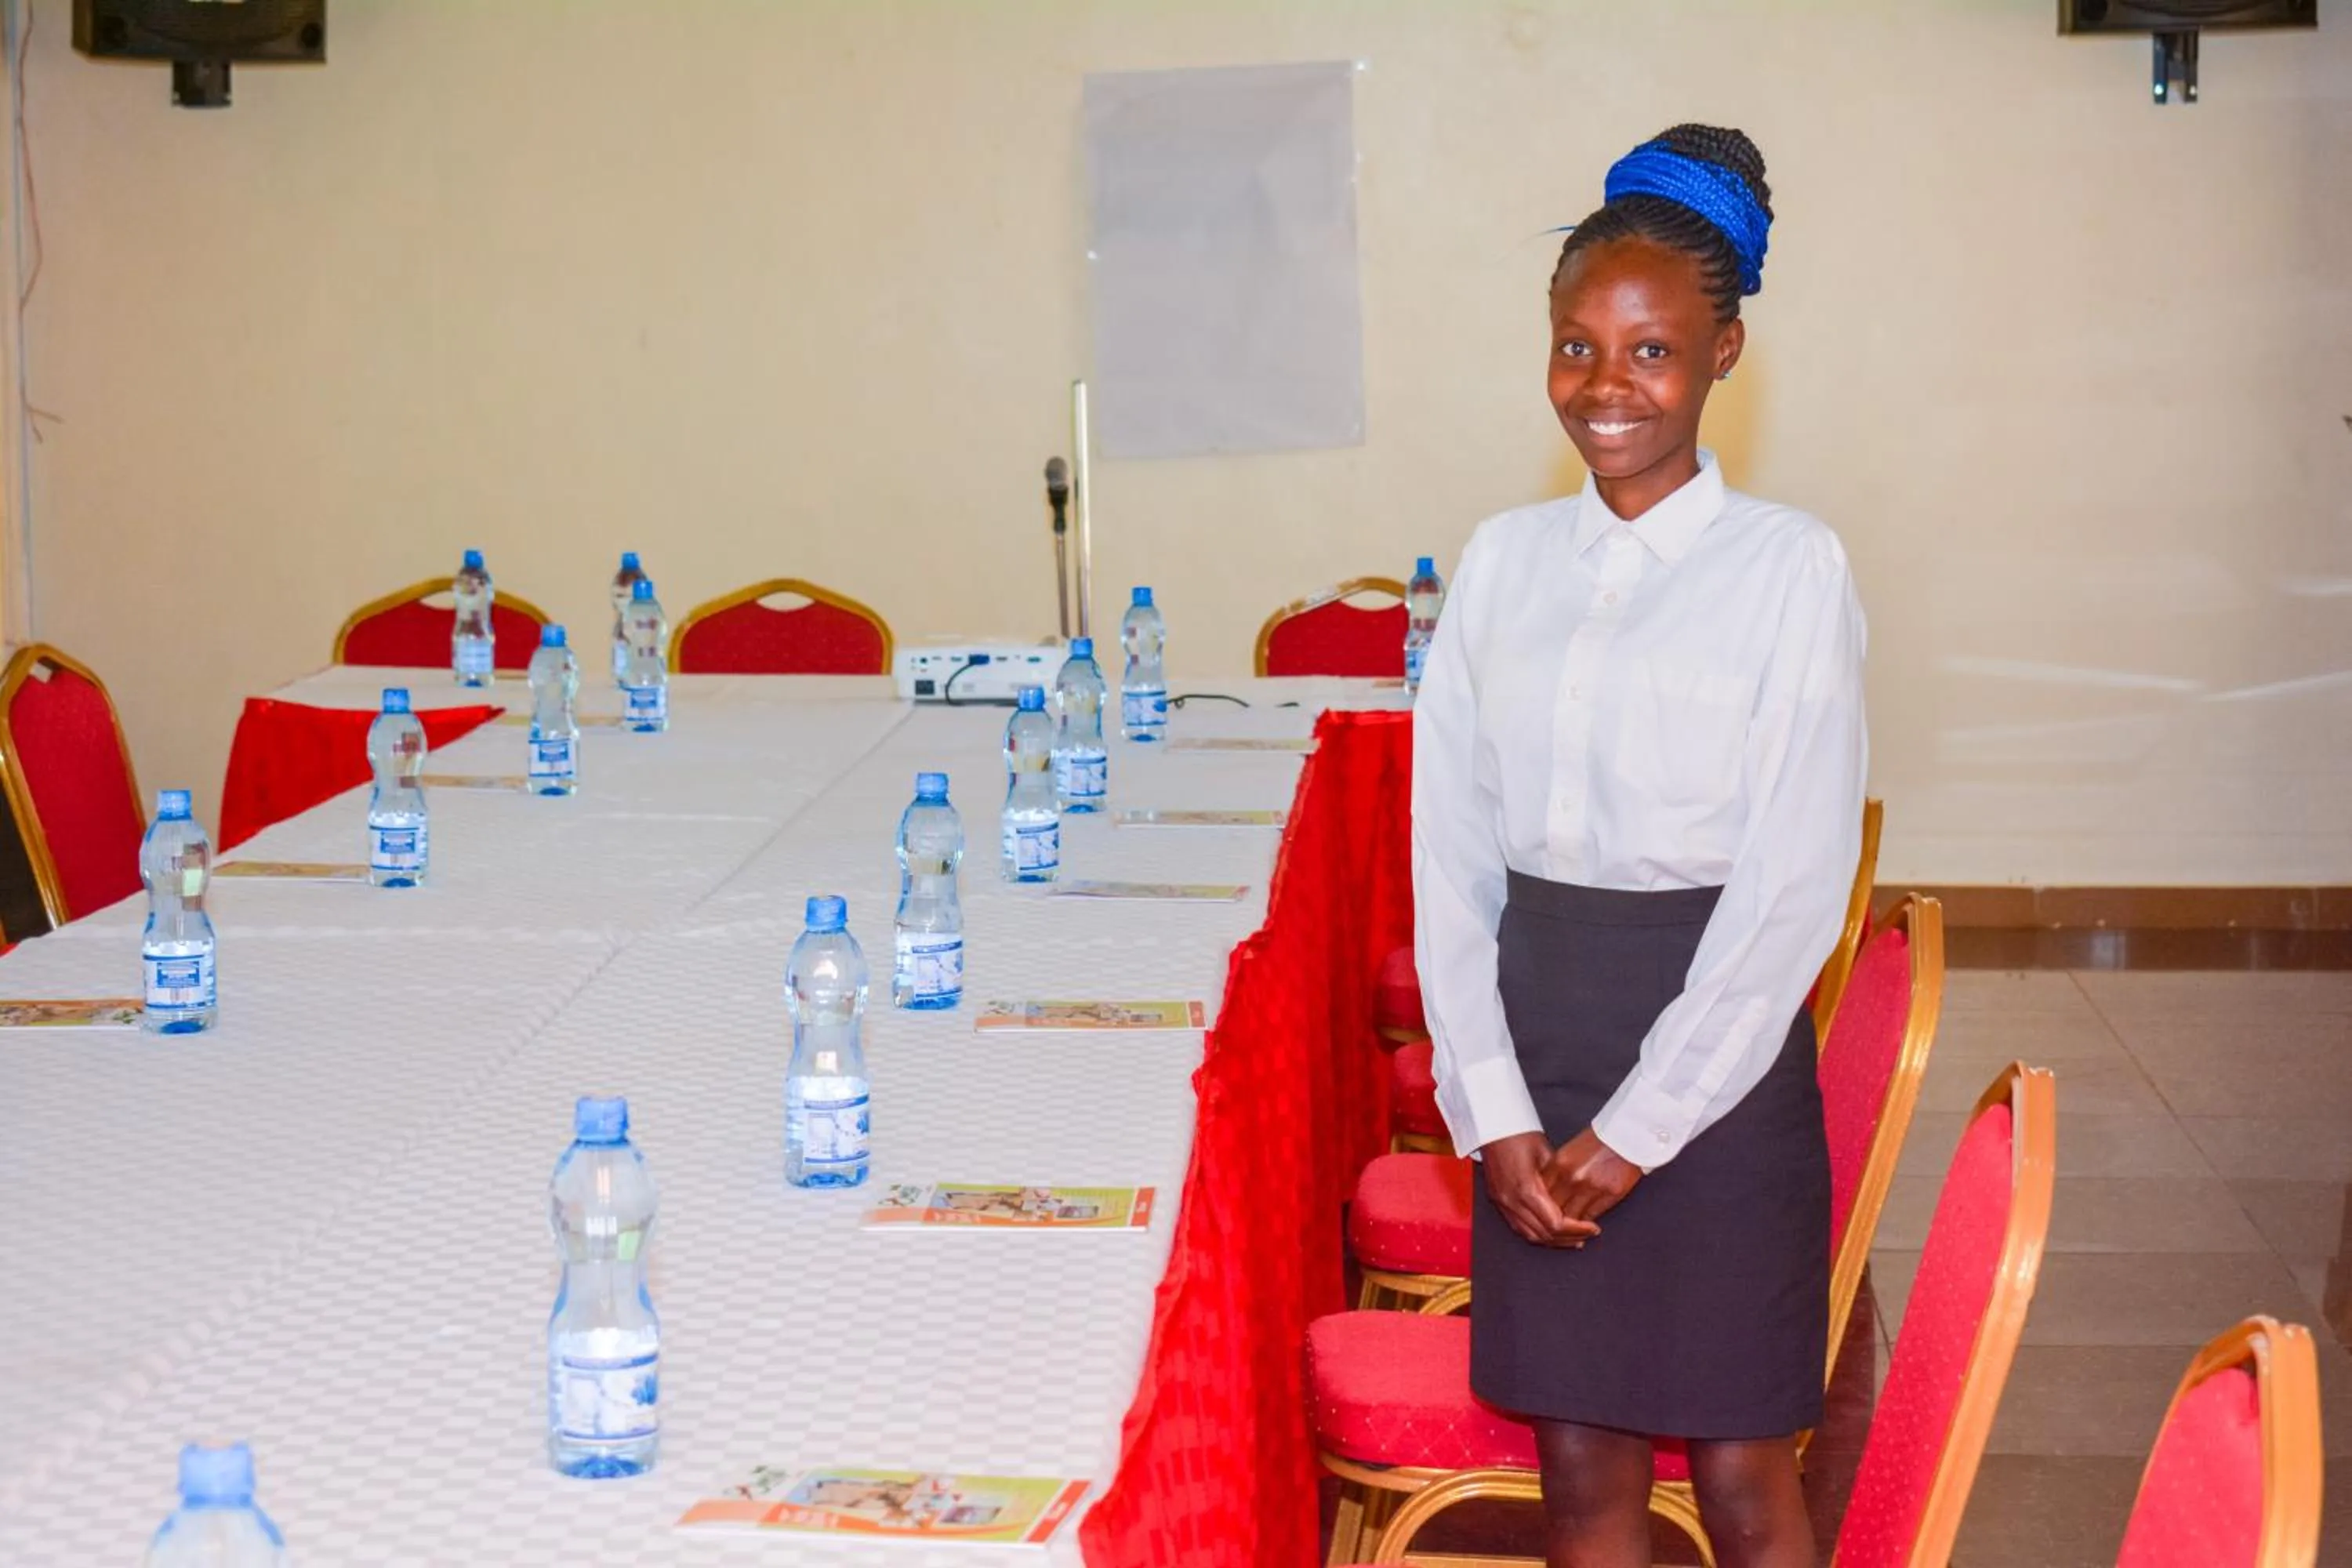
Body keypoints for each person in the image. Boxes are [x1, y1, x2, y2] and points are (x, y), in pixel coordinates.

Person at [1412, 122, 1867, 1568]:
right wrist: (1489, 1107)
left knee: (1742, 1472)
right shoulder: (1501, 562)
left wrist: (1640, 1130)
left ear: (1724, 356)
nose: (1606, 389)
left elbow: (1794, 888)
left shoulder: (1788, 569)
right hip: (1536, 1046)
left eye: (1651, 352)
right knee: (1579, 1470)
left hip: (1716, 1067)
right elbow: (1448, 857)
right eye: (1576, 348)